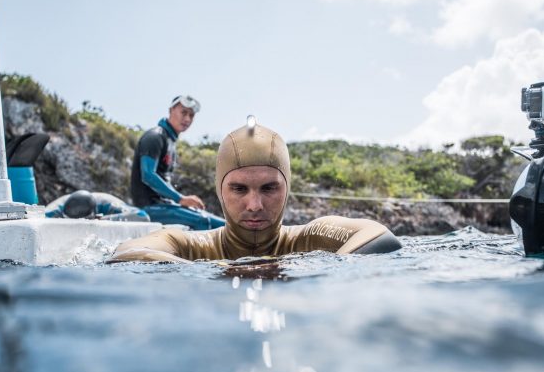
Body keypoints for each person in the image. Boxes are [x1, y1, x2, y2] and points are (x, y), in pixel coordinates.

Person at [110, 116, 401, 263]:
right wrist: (210, 272)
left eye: (269, 188)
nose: (254, 204)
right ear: (220, 190)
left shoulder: (307, 238)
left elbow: (378, 236)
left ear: (287, 188)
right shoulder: (190, 245)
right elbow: (129, 253)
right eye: (238, 188)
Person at [131, 95, 225, 230]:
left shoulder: (171, 142)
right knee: (202, 221)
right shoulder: (155, 136)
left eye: (191, 115)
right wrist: (180, 198)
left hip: (166, 204)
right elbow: (148, 175)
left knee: (225, 225)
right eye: (184, 112)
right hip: (149, 207)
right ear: (171, 110)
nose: (187, 119)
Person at [46, 190, 150, 222]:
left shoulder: (107, 203)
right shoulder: (56, 209)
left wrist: (102, 219)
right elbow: (33, 221)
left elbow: (143, 216)